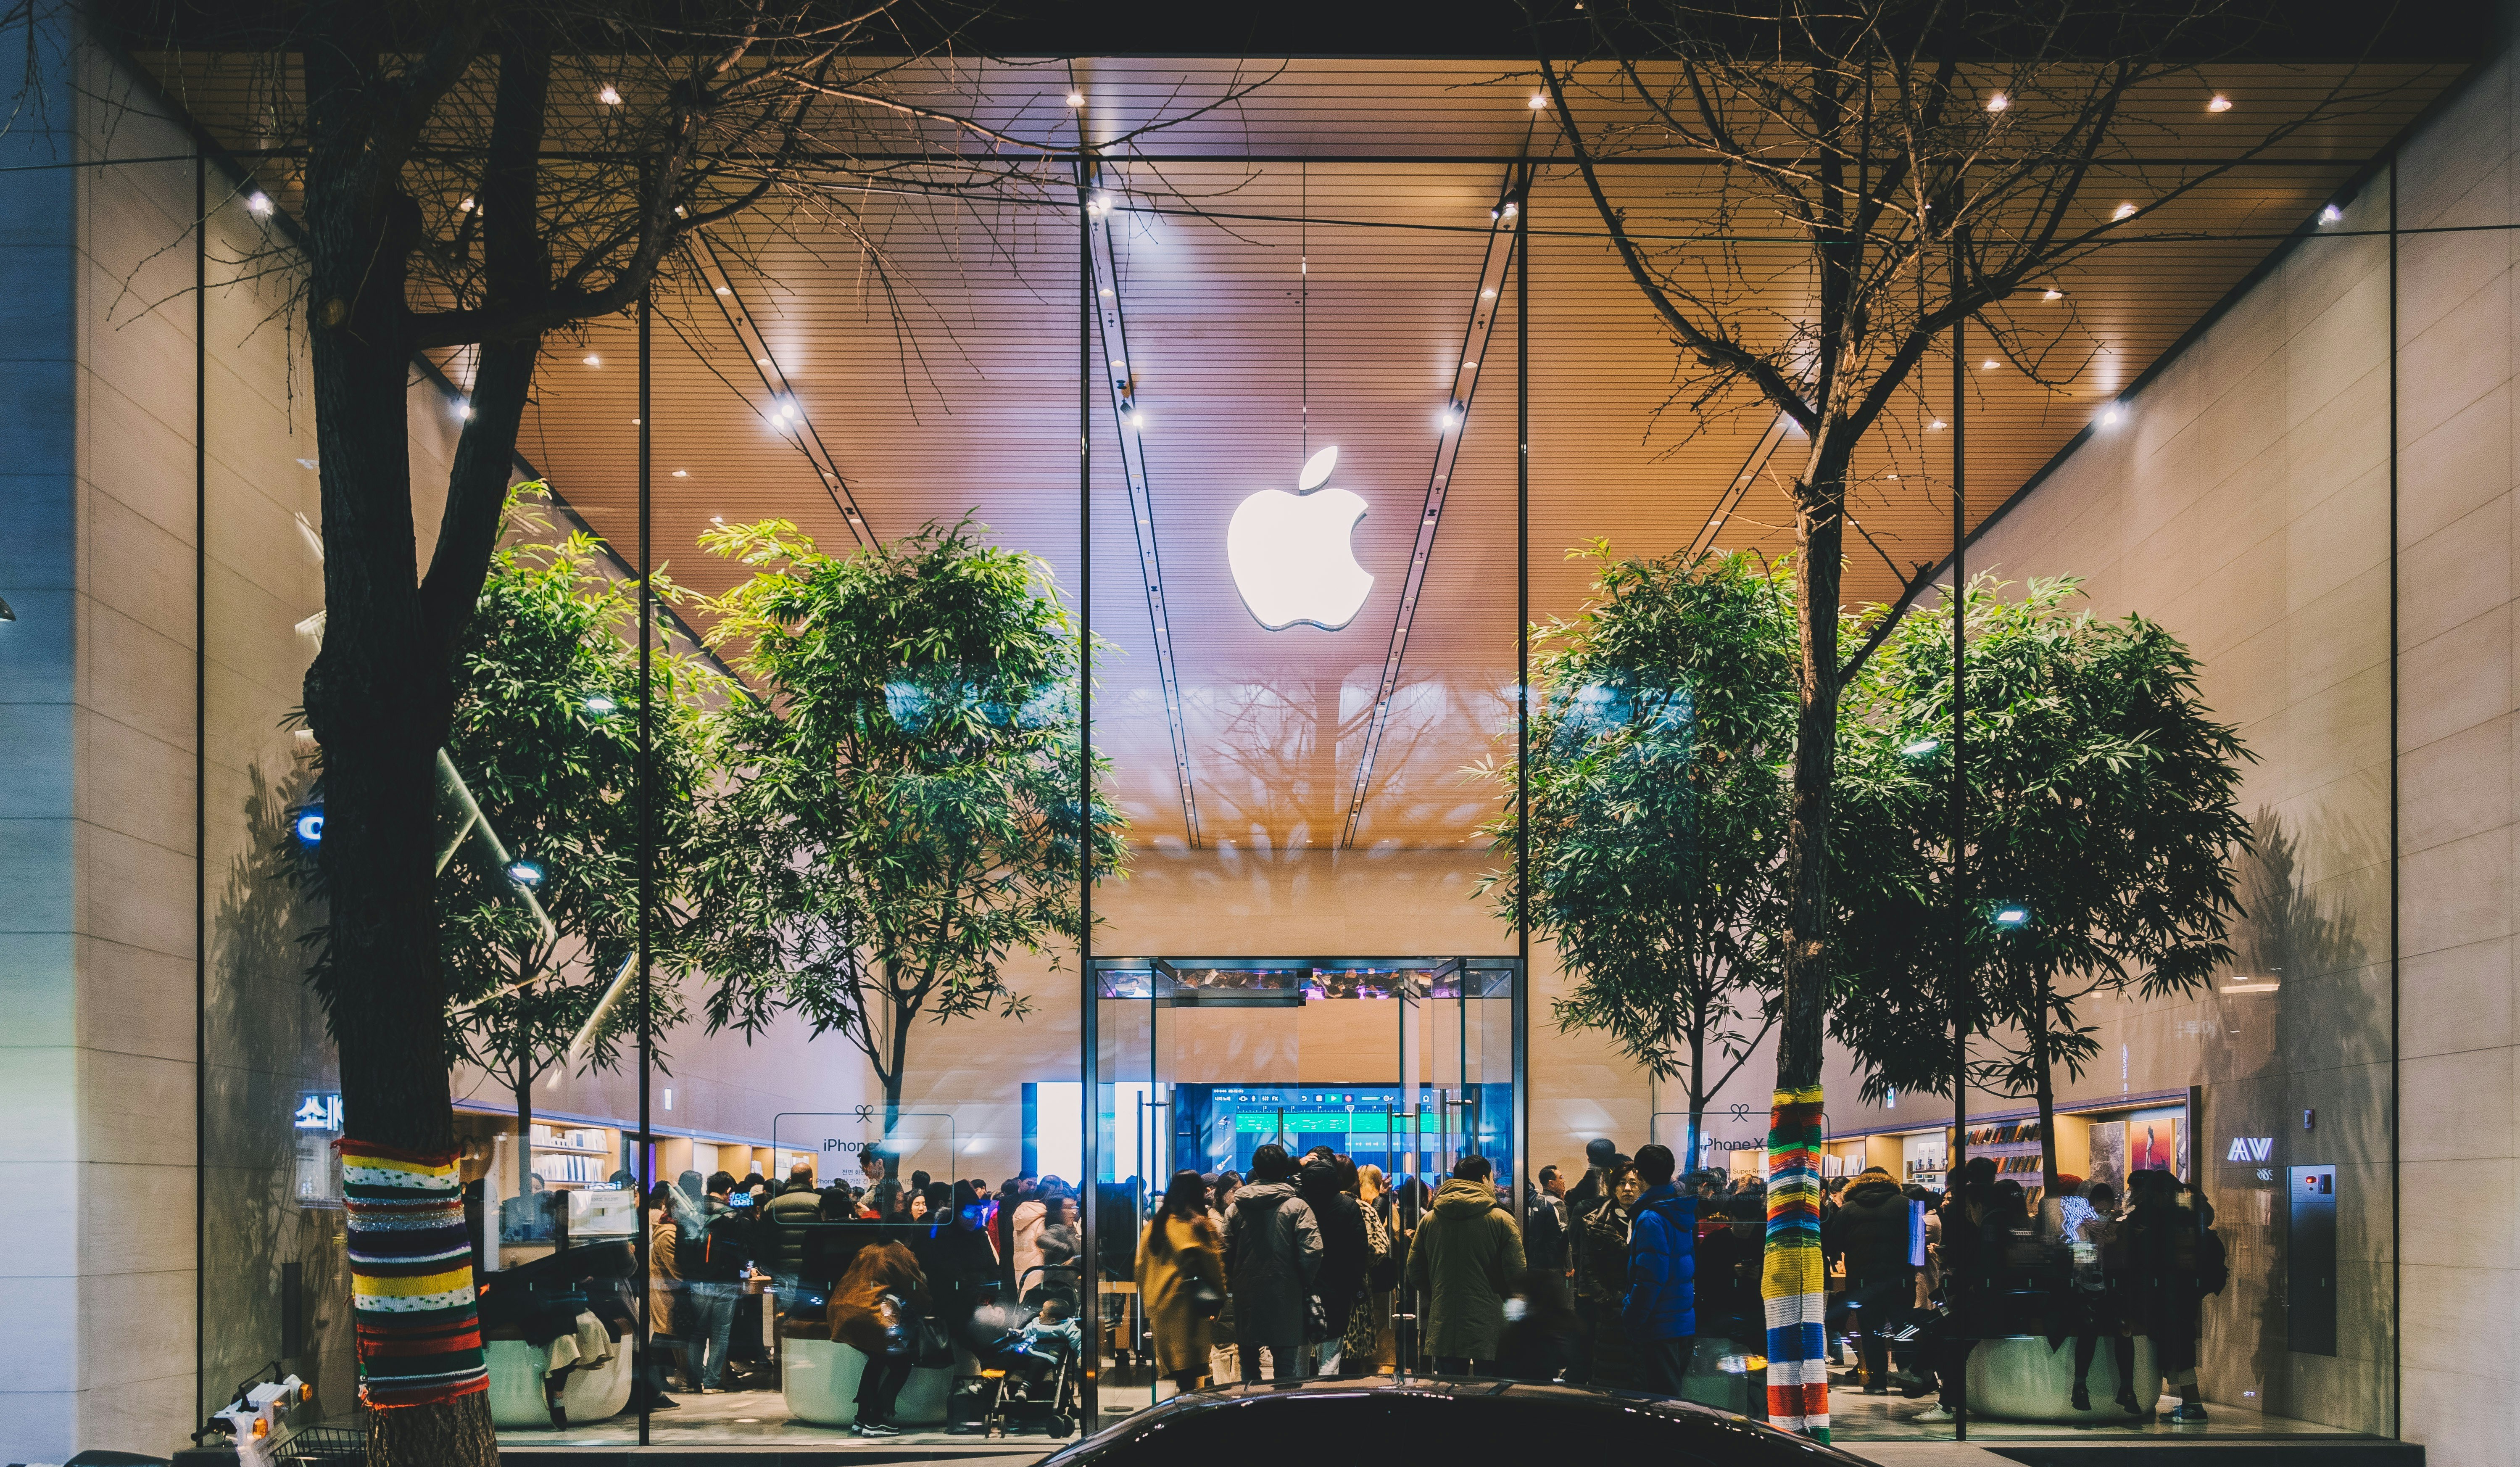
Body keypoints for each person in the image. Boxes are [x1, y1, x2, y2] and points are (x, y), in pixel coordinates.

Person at [1406, 1155, 1526, 1375]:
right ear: (1484, 1179)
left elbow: (1415, 1271)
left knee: (1449, 1392)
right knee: (1490, 1391)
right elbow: (1517, 1274)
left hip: (1445, 1320)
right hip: (1491, 1321)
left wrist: (1439, 1291)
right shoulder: (1502, 1220)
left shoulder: (1430, 1219)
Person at [1222, 1143, 1322, 1382]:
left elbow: (1223, 1250)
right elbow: (1314, 1250)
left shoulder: (1235, 1209)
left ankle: (1251, 1415)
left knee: (1248, 1365)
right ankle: (1281, 1417)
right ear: (1283, 1171)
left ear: (1255, 1170)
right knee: (1286, 1370)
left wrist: (1235, 1277)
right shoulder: (1297, 1206)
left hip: (1246, 1293)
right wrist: (1303, 1279)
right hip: (1286, 1292)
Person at [2119, 1168, 2207, 1421]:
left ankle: (2194, 1405)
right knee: (2179, 1349)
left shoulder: (2158, 1218)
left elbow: (2145, 1252)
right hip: (2183, 1292)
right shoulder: (2188, 1215)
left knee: (2178, 1351)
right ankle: (2191, 1404)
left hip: (2169, 1294)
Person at [1821, 1166, 1913, 1394]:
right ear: (1889, 1181)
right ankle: (1909, 1378)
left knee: (1870, 1330)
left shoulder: (1849, 1209)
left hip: (1863, 1281)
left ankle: (1878, 1381)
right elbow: (1918, 1244)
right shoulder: (1906, 1204)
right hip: (1899, 1280)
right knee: (1903, 1329)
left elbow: (1834, 1245)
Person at [1137, 1169, 1226, 1394]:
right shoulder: (1198, 1224)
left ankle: (1179, 1411)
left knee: (1178, 1370)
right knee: (1191, 1370)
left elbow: (1140, 1266)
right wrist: (1220, 1297)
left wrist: (1151, 1299)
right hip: (1190, 1307)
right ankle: (1187, 1416)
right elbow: (1214, 1266)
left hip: (1162, 1306)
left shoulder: (1155, 1226)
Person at [830, 1237, 929, 1438]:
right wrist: (927, 1306)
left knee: (877, 1360)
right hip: (869, 1315)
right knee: (902, 1363)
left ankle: (861, 1419)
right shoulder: (900, 1253)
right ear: (909, 1234)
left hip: (843, 1312)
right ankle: (875, 1420)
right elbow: (915, 1287)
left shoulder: (867, 1249)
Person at [1621, 1142, 1697, 1396]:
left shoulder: (1651, 1218)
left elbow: (1650, 1280)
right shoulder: (1677, 1210)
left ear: (1640, 1175)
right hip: (1679, 1322)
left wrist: (1631, 1317)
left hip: (1658, 1326)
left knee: (1661, 1404)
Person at [678, 1173, 753, 1391]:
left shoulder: (692, 1212)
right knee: (720, 1332)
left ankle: (695, 1380)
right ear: (728, 1191)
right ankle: (711, 1382)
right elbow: (739, 1251)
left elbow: (681, 1250)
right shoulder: (732, 1216)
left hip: (697, 1281)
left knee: (698, 1332)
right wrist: (745, 1271)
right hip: (725, 1280)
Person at [1574, 1162, 1643, 1388]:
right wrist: (1606, 1301)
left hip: (1643, 1307)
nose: (1627, 1189)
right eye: (1622, 1183)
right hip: (1607, 1312)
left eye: (1633, 1183)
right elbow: (1588, 1267)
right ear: (1613, 1188)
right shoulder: (1596, 1221)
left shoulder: (1649, 1220)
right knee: (1606, 1373)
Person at [1300, 1150, 1370, 1373]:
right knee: (1331, 1356)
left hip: (1303, 1288)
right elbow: (1359, 1251)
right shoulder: (1349, 1207)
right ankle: (1325, 1398)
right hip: (1338, 1288)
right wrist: (1354, 1283)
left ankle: (1297, 1395)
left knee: (1300, 1353)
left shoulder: (1299, 1206)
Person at [1339, 1158, 1396, 1376]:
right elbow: (1382, 1246)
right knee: (1373, 1338)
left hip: (1333, 1288)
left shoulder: (1322, 1204)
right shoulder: (1369, 1207)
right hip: (1371, 1285)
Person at [641, 1183, 685, 1410]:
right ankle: (656, 1383)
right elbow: (674, 1267)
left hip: (665, 1287)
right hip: (664, 1288)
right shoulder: (667, 1233)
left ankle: (660, 1381)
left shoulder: (670, 1230)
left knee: (666, 1332)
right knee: (663, 1332)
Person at [1525, 1165, 1571, 1302]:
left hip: (1538, 1262)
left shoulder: (1538, 1201)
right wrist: (1569, 1265)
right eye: (1561, 1178)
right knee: (1565, 1296)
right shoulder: (1556, 1203)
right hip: (1556, 1263)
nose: (1563, 1181)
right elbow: (1564, 1236)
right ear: (1551, 1183)